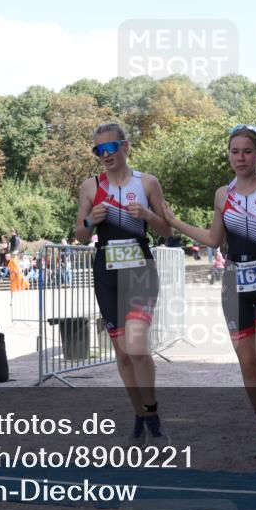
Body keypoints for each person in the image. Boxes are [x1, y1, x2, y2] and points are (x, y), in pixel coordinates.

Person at [163, 123, 256, 458]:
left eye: (247, 151)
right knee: (249, 365)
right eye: (235, 152)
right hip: (234, 285)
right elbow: (213, 240)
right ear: (229, 155)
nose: (240, 158)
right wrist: (173, 220)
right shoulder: (224, 195)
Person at [75, 123, 173, 446]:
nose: (105, 155)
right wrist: (91, 221)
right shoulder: (90, 187)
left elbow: (167, 231)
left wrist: (146, 214)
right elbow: (81, 234)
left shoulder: (147, 183)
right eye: (98, 151)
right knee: (123, 354)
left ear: (125, 146)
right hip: (107, 272)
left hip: (140, 271)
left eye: (110, 148)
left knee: (138, 348)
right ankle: (139, 415)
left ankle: (153, 415)